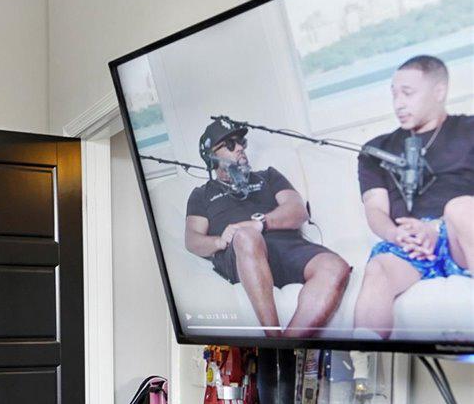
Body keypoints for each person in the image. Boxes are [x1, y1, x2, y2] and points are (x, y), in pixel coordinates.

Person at [183, 119, 351, 335]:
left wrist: (260, 223)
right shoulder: (202, 194)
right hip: (244, 254)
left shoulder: (268, 176)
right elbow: (192, 239)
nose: (241, 147)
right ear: (211, 158)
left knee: (335, 266)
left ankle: (285, 345)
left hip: (287, 247)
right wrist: (219, 240)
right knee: (246, 237)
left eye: (241, 141)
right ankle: (272, 335)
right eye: (231, 144)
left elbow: (298, 211)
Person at [353, 55, 474, 337]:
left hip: (461, 234)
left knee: (460, 208)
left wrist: (436, 227)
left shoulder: (469, 130)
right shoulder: (375, 149)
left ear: (439, 91)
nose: (398, 104)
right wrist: (398, 235)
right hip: (409, 242)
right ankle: (362, 368)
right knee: (378, 270)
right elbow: (375, 210)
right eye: (394, 94)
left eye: (407, 93)